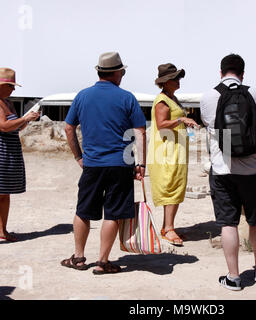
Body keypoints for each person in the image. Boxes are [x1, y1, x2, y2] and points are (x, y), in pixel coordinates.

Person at [61, 52, 146, 274]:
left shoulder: (83, 96)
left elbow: (69, 127)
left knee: (83, 210)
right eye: (123, 72)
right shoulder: (127, 97)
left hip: (92, 164)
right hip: (120, 163)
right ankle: (102, 261)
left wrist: (78, 156)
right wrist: (141, 163)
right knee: (113, 213)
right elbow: (140, 132)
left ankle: (79, 258)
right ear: (116, 72)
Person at [200, 54, 256, 291]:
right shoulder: (254, 94)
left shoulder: (209, 96)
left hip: (223, 170)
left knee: (228, 223)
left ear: (221, 72)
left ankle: (233, 277)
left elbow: (210, 126)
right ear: (242, 73)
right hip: (254, 169)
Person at [0, 68, 40, 248]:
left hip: (8, 148)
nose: (13, 90)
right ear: (1, 86)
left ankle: (2, 230)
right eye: (10, 86)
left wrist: (27, 120)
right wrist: (24, 118)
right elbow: (3, 126)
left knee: (4, 191)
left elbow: (15, 127)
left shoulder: (7, 102)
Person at [147, 63, 198, 246]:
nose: (178, 81)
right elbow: (161, 124)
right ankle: (168, 228)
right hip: (166, 150)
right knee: (171, 185)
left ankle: (168, 226)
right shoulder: (162, 100)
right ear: (166, 81)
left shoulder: (172, 98)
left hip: (175, 148)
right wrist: (181, 119)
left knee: (176, 184)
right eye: (175, 78)